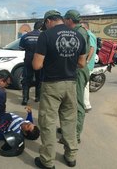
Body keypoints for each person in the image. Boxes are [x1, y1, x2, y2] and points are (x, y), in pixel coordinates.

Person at [32, 10, 86, 168]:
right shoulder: (79, 36)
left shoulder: (46, 35)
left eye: (45, 24)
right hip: (71, 84)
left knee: (47, 123)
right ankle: (71, 156)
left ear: (49, 21)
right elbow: (82, 64)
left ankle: (47, 161)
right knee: (69, 121)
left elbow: (37, 65)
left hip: (52, 85)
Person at [64, 10, 90, 143]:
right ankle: (69, 129)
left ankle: (75, 135)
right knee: (71, 102)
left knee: (78, 104)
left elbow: (79, 55)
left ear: (69, 20)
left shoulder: (78, 32)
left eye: (65, 19)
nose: (63, 22)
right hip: (78, 69)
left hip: (79, 70)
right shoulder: (80, 30)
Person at [19, 21, 43, 105]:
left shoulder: (26, 36)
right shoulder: (43, 36)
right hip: (40, 61)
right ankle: (38, 97)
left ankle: (25, 98)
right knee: (39, 79)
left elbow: (21, 48)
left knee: (26, 79)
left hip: (28, 60)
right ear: (41, 28)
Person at [81, 21, 97, 112]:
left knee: (84, 85)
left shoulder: (88, 35)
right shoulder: (91, 34)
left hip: (87, 65)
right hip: (88, 64)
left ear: (85, 27)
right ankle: (85, 104)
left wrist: (86, 61)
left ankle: (86, 105)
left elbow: (91, 48)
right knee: (85, 85)